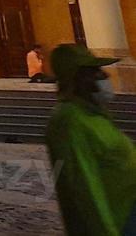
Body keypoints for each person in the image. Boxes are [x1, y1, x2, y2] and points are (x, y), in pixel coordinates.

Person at [45, 43, 136, 236]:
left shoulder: (93, 113)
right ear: (79, 78)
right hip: (118, 220)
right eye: (95, 71)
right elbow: (85, 187)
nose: (105, 76)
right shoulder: (69, 121)